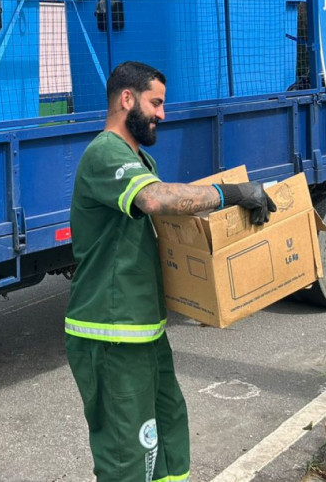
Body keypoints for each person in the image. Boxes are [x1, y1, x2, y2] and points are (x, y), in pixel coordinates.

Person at [65, 60, 276, 482]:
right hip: (110, 332)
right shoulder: (105, 153)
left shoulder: (140, 160)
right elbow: (156, 202)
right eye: (156, 103)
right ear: (127, 99)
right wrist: (232, 193)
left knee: (168, 436)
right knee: (129, 454)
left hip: (144, 328)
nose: (163, 114)